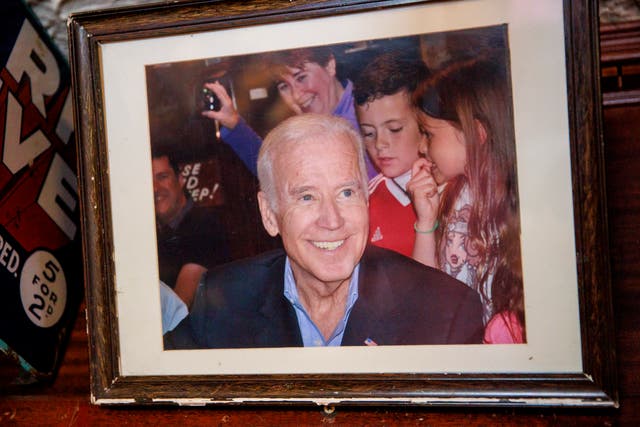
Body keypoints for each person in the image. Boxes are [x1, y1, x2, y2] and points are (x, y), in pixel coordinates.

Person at [164, 114, 483, 349]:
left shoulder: (444, 311)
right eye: (306, 197)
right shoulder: (223, 303)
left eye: (346, 192)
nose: (332, 220)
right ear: (269, 214)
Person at [410, 57, 525, 343]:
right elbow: (427, 293)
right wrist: (425, 221)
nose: (421, 147)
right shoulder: (451, 193)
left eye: (428, 134)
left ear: (476, 133)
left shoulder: (518, 204)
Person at [201, 46, 378, 178]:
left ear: (330, 65)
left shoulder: (373, 116)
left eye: (301, 78)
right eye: (284, 86)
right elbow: (277, 175)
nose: (296, 96)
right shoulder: (316, 125)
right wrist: (235, 124)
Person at [353, 52, 435, 261]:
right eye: (369, 133)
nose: (380, 144)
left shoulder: (454, 188)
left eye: (395, 129)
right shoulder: (366, 203)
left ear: (425, 123)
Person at [152, 147, 231, 308]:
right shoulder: (153, 233)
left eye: (162, 177)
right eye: (147, 180)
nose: (155, 188)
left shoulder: (204, 225)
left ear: (180, 179)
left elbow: (180, 307)